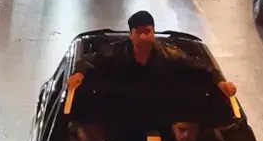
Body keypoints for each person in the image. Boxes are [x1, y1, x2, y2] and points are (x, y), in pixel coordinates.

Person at [67, 11, 237, 97]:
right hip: (121, 115)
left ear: (153, 33)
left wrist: (221, 83)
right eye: (138, 32)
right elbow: (89, 60)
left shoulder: (170, 55)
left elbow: (202, 67)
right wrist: (79, 73)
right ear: (130, 34)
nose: (142, 37)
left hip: (159, 118)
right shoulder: (114, 52)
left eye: (147, 32)